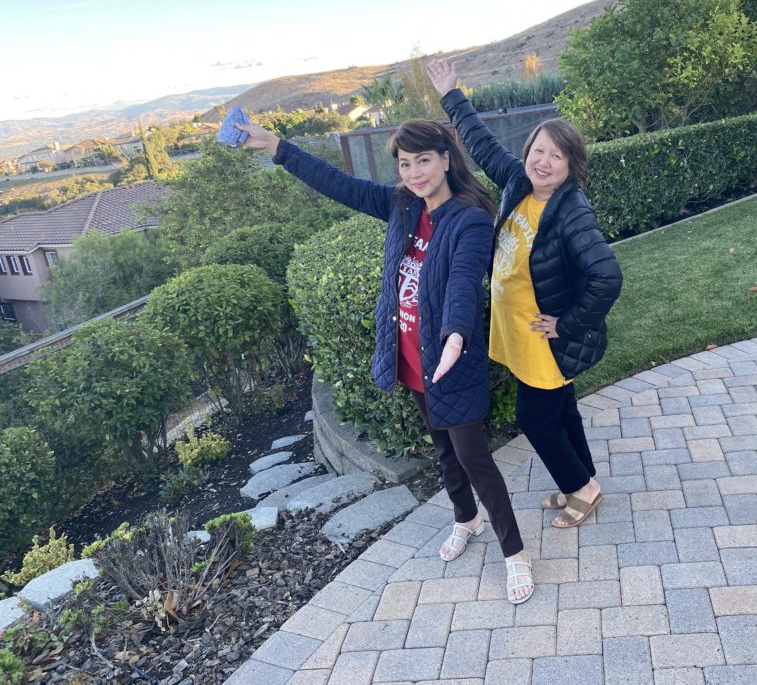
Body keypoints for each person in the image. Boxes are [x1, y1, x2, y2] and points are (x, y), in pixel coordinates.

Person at [237, 119, 533, 604]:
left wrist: (457, 335)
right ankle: (466, 519)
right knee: (443, 452)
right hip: (414, 362)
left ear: (445, 159)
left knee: (475, 460)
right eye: (404, 163)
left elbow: (463, 283)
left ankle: (515, 553)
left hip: (450, 363)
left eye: (423, 160)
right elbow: (341, 186)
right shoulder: (402, 205)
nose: (414, 172)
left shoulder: (469, 219)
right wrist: (279, 148)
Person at [427, 59, 623, 529]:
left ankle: (583, 490)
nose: (543, 161)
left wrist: (567, 324)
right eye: (539, 150)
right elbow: (483, 144)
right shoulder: (520, 182)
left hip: (544, 340)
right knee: (564, 411)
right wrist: (451, 95)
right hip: (520, 331)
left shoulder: (570, 210)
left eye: (557, 156)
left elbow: (607, 277)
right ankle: (582, 477)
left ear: (572, 166)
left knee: (536, 421)